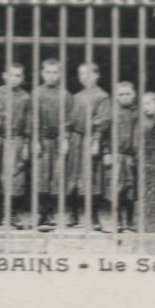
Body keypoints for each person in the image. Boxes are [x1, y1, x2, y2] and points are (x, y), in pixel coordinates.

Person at [66, 62, 112, 229]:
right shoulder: (76, 96)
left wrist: (96, 140)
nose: (84, 77)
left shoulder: (102, 97)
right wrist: (66, 138)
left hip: (90, 140)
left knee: (90, 178)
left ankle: (93, 216)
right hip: (75, 140)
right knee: (73, 176)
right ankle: (73, 214)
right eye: (81, 74)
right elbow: (69, 121)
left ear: (96, 75)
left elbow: (103, 121)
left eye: (88, 74)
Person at [0, 63, 32, 228]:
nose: (14, 78)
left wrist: (26, 143)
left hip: (16, 140)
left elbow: (29, 122)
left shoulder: (26, 97)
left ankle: (13, 214)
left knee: (14, 177)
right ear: (5, 76)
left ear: (23, 78)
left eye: (18, 75)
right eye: (11, 75)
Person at [32, 59, 69, 231]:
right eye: (48, 72)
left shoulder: (65, 95)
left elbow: (68, 121)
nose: (52, 76)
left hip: (58, 141)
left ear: (60, 74)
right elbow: (33, 120)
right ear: (42, 73)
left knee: (56, 177)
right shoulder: (37, 94)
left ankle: (52, 212)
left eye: (55, 72)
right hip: (42, 140)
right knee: (42, 178)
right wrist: (35, 140)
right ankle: (42, 213)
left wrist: (65, 139)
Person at [105, 81, 141, 232]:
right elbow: (105, 134)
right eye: (121, 94)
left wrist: (137, 154)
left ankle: (131, 221)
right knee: (117, 190)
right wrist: (106, 152)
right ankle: (118, 221)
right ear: (115, 96)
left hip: (132, 157)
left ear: (134, 95)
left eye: (128, 94)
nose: (124, 97)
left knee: (131, 191)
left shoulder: (137, 113)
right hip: (116, 156)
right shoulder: (112, 112)